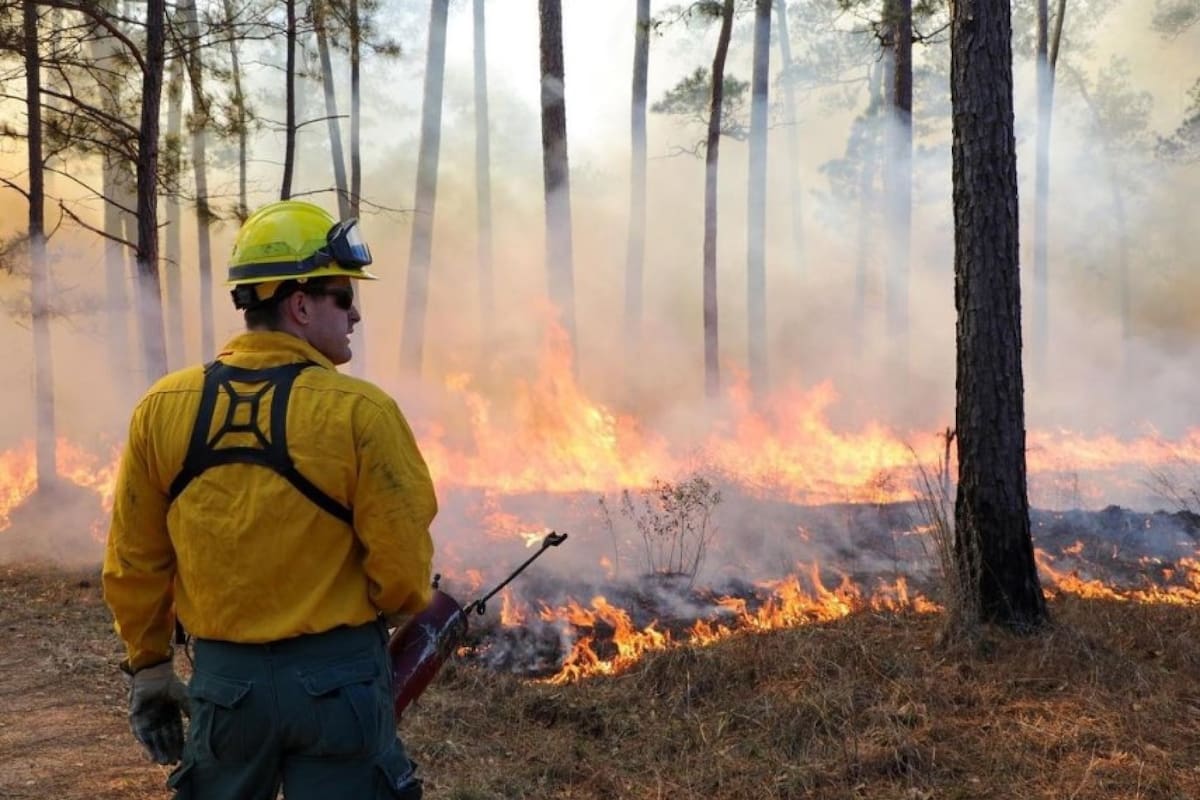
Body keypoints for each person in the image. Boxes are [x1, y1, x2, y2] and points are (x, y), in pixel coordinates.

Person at [102, 200, 436, 800]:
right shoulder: (363, 412)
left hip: (227, 689)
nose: (355, 313)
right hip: (340, 686)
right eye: (343, 296)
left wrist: (150, 667)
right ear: (301, 304)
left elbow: (135, 557)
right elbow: (405, 573)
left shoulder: (163, 406)